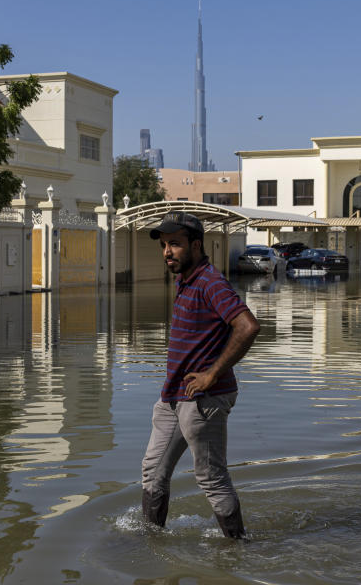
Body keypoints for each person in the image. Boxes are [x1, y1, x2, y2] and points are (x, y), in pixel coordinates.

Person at [141, 212, 260, 539]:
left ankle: (238, 548)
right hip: (173, 398)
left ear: (196, 245)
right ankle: (151, 544)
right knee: (153, 472)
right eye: (164, 245)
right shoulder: (186, 281)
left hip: (203, 399)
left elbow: (247, 326)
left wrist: (211, 375)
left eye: (175, 244)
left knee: (211, 477)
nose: (167, 251)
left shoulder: (209, 281)